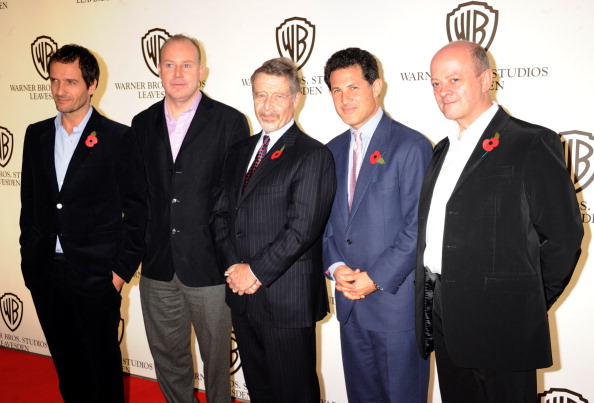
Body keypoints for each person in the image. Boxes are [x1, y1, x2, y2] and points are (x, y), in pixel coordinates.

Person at [415, 40, 583, 402]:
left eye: (454, 79)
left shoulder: (531, 142)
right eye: (436, 83)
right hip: (445, 317)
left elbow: (564, 237)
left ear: (485, 79)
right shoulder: (441, 150)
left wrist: (525, 302)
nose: (443, 91)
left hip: (505, 324)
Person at [19, 44, 147, 403]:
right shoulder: (36, 134)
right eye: (54, 80)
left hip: (96, 275)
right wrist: (30, 260)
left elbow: (138, 213)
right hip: (46, 271)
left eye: (71, 82)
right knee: (68, 365)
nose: (60, 90)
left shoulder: (119, 138)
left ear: (92, 85)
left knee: (102, 368)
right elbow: (30, 204)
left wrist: (118, 273)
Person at [131, 34, 249, 403]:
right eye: (169, 65)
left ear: (201, 71)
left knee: (217, 363)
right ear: (159, 70)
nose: (178, 73)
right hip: (157, 265)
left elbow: (235, 198)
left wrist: (232, 258)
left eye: (186, 65)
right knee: (168, 359)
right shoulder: (141, 123)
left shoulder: (230, 121)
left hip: (211, 266)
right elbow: (138, 195)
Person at [212, 57, 336, 403]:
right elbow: (220, 214)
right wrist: (235, 269)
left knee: (294, 393)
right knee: (260, 391)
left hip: (286, 300)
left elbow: (302, 229)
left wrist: (254, 271)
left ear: (296, 99)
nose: (267, 106)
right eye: (260, 95)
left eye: (278, 96)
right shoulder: (239, 151)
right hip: (242, 295)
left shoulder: (312, 155)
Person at [322, 47, 432, 402]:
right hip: (350, 305)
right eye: (336, 90)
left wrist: (376, 278)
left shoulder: (411, 146)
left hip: (394, 307)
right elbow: (324, 224)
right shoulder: (330, 152)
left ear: (377, 86)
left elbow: (419, 226)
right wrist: (336, 268)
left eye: (353, 87)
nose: (345, 98)